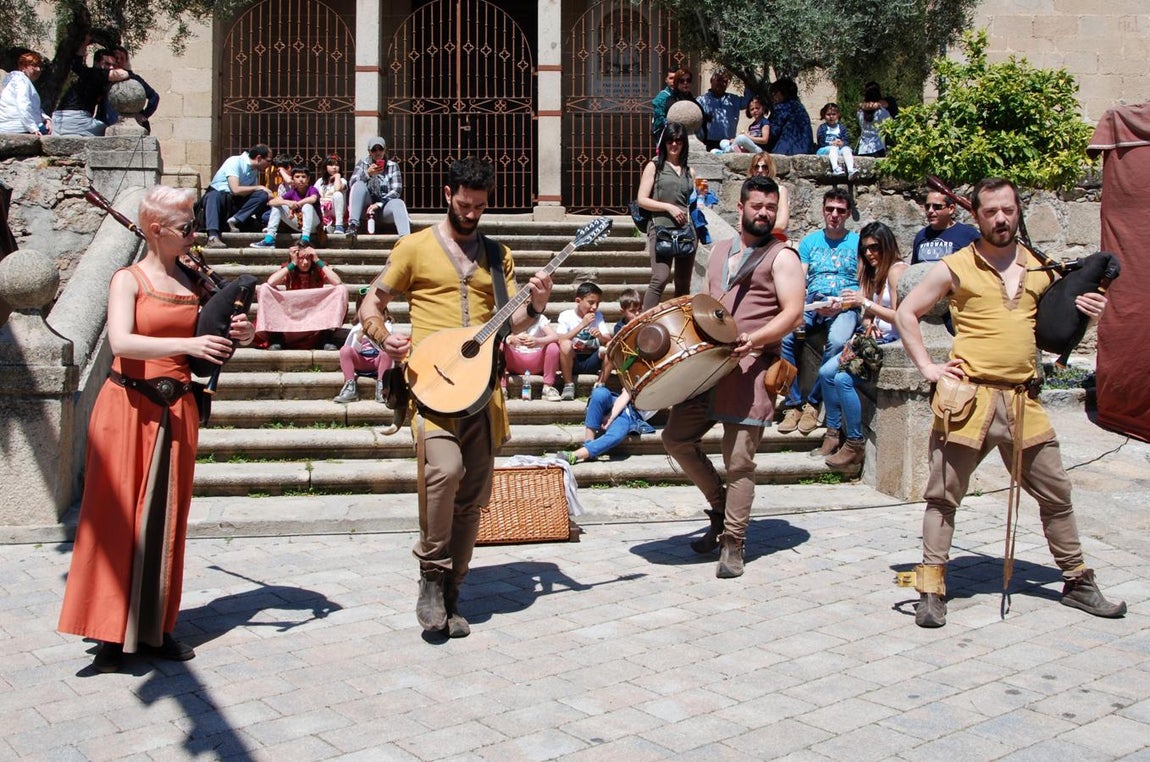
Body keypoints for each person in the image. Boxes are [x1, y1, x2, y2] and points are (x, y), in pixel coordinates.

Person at [894, 176, 1127, 629]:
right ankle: (931, 587)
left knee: (1057, 493)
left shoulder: (1042, 269)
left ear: (1017, 211)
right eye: (990, 212)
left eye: (1008, 210)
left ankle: (1077, 580)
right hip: (968, 399)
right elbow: (907, 311)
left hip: (1024, 399)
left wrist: (1092, 309)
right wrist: (927, 367)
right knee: (942, 496)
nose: (1000, 218)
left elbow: (1061, 323)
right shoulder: (956, 266)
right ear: (976, 216)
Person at [57, 185, 255, 673]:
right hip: (127, 405)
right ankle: (107, 630)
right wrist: (188, 349)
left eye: (193, 224)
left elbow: (222, 326)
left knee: (168, 519)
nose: (194, 234)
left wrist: (241, 333)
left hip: (178, 408)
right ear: (155, 230)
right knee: (114, 514)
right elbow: (122, 339)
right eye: (186, 226)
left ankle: (156, 626)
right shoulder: (128, 279)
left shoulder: (195, 280)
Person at [357, 156, 554, 637]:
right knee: (443, 473)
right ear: (448, 194)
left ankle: (452, 590)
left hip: (483, 392)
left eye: (481, 207)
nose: (472, 213)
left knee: (472, 498)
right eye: (465, 204)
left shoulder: (497, 254)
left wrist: (539, 305)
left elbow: (511, 325)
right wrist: (384, 338)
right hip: (430, 384)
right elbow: (372, 302)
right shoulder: (414, 248)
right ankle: (430, 573)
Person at [662, 175, 805, 577]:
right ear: (739, 208)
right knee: (676, 438)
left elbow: (793, 313)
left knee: (739, 460)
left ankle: (733, 542)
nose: (764, 213)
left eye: (770, 207)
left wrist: (755, 339)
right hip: (709, 367)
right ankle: (721, 508)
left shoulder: (783, 256)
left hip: (753, 369)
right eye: (757, 205)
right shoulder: (721, 248)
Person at [816, 221, 908, 468]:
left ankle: (854, 443)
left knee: (843, 379)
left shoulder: (897, 271)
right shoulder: (872, 272)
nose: (869, 254)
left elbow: (901, 316)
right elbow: (869, 315)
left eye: (875, 247)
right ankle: (833, 433)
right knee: (826, 372)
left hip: (893, 344)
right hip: (873, 341)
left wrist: (864, 303)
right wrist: (866, 320)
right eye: (865, 249)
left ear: (887, 245)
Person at [777, 188, 861, 435]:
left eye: (840, 211)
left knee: (836, 342)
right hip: (814, 300)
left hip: (845, 303)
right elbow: (799, 279)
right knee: (785, 337)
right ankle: (793, 404)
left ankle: (813, 403)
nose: (834, 215)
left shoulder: (857, 242)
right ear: (823, 210)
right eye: (830, 209)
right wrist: (801, 307)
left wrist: (847, 303)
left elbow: (863, 281)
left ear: (847, 214)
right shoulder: (810, 242)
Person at [559, 289, 653, 464]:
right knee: (600, 393)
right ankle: (589, 443)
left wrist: (612, 415)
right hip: (619, 399)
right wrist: (612, 412)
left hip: (631, 414)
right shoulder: (645, 367)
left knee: (616, 435)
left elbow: (631, 394)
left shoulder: (666, 384)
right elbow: (627, 390)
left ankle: (579, 454)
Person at [636, 121, 697, 310]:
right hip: (660, 228)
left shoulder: (689, 171)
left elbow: (693, 202)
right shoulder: (654, 166)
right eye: (670, 140)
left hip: (686, 231)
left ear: (684, 143)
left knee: (683, 283)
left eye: (679, 140)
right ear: (664, 142)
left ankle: (682, 326)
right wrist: (669, 207)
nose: (674, 144)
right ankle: (643, 325)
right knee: (660, 278)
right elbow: (642, 199)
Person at [254, 244, 346, 350]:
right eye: (301, 259)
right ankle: (277, 338)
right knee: (264, 288)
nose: (305, 262)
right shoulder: (289, 269)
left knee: (341, 289)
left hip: (315, 314)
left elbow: (337, 282)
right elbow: (271, 282)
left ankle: (325, 338)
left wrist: (317, 260)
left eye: (308, 258)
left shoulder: (318, 268)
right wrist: (292, 263)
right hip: (291, 315)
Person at [202, 144, 273, 248]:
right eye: (269, 161)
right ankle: (213, 237)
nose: (270, 165)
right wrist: (259, 187)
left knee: (262, 195)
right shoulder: (235, 161)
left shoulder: (254, 171)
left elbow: (250, 194)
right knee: (213, 196)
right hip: (220, 200)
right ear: (259, 158)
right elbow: (235, 189)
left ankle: (235, 220)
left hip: (236, 204)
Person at [51, 44, 129, 136]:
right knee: (110, 132)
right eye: (107, 64)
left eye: (114, 65)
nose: (111, 68)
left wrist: (84, 43)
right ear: (96, 63)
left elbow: (77, 62)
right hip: (76, 119)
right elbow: (124, 74)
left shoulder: (89, 74)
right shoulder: (96, 74)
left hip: (59, 120)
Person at [347, 136, 411, 238]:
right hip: (365, 208)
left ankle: (405, 238)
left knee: (398, 202)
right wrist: (368, 174)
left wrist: (379, 204)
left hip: (383, 208)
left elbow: (396, 191)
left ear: (385, 150)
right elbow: (352, 184)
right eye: (374, 150)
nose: (377, 153)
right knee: (359, 184)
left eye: (380, 149)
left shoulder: (392, 166)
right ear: (369, 151)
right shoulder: (363, 163)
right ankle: (353, 225)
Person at [556, 282, 610, 401]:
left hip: (592, 359)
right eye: (591, 302)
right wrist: (582, 325)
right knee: (565, 344)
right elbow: (560, 339)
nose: (594, 307)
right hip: (572, 360)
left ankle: (600, 385)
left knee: (611, 346)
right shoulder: (566, 316)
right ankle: (568, 385)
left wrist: (600, 336)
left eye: (598, 303)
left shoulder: (598, 316)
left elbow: (608, 339)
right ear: (578, 300)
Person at [250, 165, 320, 249]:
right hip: (299, 224)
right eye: (297, 177)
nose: (301, 179)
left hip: (314, 225)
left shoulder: (312, 189)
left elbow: (313, 199)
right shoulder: (292, 192)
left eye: (303, 177)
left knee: (307, 205)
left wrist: (297, 204)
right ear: (293, 179)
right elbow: (271, 202)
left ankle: (305, 240)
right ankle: (269, 239)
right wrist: (287, 202)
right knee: (277, 206)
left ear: (308, 179)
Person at [501, 307, 562, 401]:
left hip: (536, 361)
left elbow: (554, 336)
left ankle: (547, 387)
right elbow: (498, 337)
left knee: (553, 346)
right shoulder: (511, 318)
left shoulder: (540, 318)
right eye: (523, 304)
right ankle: (502, 388)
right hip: (514, 360)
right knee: (499, 345)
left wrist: (537, 341)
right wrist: (511, 339)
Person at [98, 46, 160, 132]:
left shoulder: (133, 79)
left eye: (122, 58)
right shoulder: (103, 78)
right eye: (116, 58)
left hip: (131, 125)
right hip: (107, 125)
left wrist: (144, 115)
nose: (119, 61)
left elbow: (154, 96)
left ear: (126, 61)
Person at [333, 319, 395, 404]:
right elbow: (353, 348)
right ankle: (350, 389)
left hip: (378, 362)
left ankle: (382, 387)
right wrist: (360, 336)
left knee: (387, 351)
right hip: (361, 361)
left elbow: (385, 346)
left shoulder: (387, 326)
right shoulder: (357, 327)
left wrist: (374, 333)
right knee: (345, 350)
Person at [911, 190, 981, 264]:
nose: (930, 210)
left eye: (937, 206)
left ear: (951, 209)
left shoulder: (969, 235)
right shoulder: (921, 235)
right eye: (927, 206)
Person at [696, 70, 751, 151]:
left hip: (728, 144)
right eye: (718, 80)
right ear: (711, 81)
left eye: (724, 81)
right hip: (708, 144)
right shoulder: (701, 101)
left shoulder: (733, 99)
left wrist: (747, 78)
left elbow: (748, 101)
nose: (721, 83)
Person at [0, 52, 51, 134]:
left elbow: (33, 107)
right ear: (24, 67)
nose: (38, 69)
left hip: (15, 126)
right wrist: (33, 128)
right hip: (18, 127)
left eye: (39, 66)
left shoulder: (17, 80)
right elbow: (23, 105)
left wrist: (46, 118)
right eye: (34, 66)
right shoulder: (21, 80)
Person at [765, 77, 813, 156]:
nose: (773, 97)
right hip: (806, 151)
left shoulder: (781, 108)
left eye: (774, 93)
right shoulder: (800, 107)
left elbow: (772, 132)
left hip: (785, 152)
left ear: (781, 93)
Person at [747, 154, 790, 240]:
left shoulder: (780, 191)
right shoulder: (748, 192)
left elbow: (781, 225)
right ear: (752, 170)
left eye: (764, 167)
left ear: (769, 169)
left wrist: (753, 229)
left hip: (774, 241)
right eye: (756, 167)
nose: (760, 170)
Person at [815, 102, 856, 176]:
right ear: (824, 115)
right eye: (828, 114)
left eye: (833, 114)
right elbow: (820, 142)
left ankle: (851, 170)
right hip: (825, 149)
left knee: (846, 149)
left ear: (838, 115)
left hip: (838, 149)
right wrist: (831, 143)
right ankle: (835, 168)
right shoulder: (822, 128)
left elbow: (846, 140)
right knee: (833, 148)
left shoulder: (841, 128)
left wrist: (842, 143)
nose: (831, 117)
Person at [651, 68, 692, 137]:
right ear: (666, 80)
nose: (673, 81)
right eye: (671, 78)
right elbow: (659, 119)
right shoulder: (662, 97)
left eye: (676, 78)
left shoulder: (686, 95)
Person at [857, 82, 892, 157]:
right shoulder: (881, 112)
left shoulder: (860, 112)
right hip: (878, 147)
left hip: (863, 148)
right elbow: (891, 124)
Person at [316, 156, 347, 235]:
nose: (334, 167)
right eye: (331, 165)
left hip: (335, 209)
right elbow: (314, 194)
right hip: (323, 210)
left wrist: (337, 176)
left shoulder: (342, 181)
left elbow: (337, 188)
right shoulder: (320, 181)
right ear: (325, 167)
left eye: (337, 165)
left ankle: (339, 225)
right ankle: (326, 227)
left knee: (337, 194)